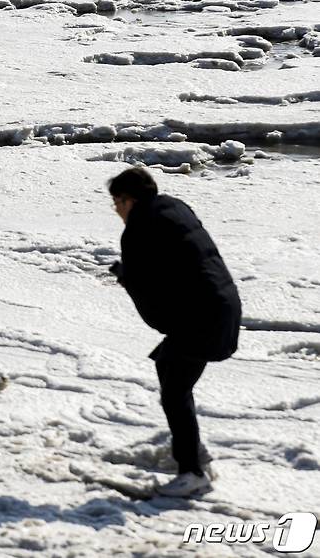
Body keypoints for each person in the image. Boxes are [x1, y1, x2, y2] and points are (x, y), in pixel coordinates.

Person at [108, 167, 241, 498]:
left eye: (116, 202)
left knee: (174, 391)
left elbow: (148, 299)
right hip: (223, 305)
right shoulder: (175, 206)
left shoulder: (138, 228)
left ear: (128, 200)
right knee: (168, 367)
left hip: (201, 318)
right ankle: (194, 454)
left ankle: (191, 472)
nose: (115, 210)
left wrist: (126, 277)